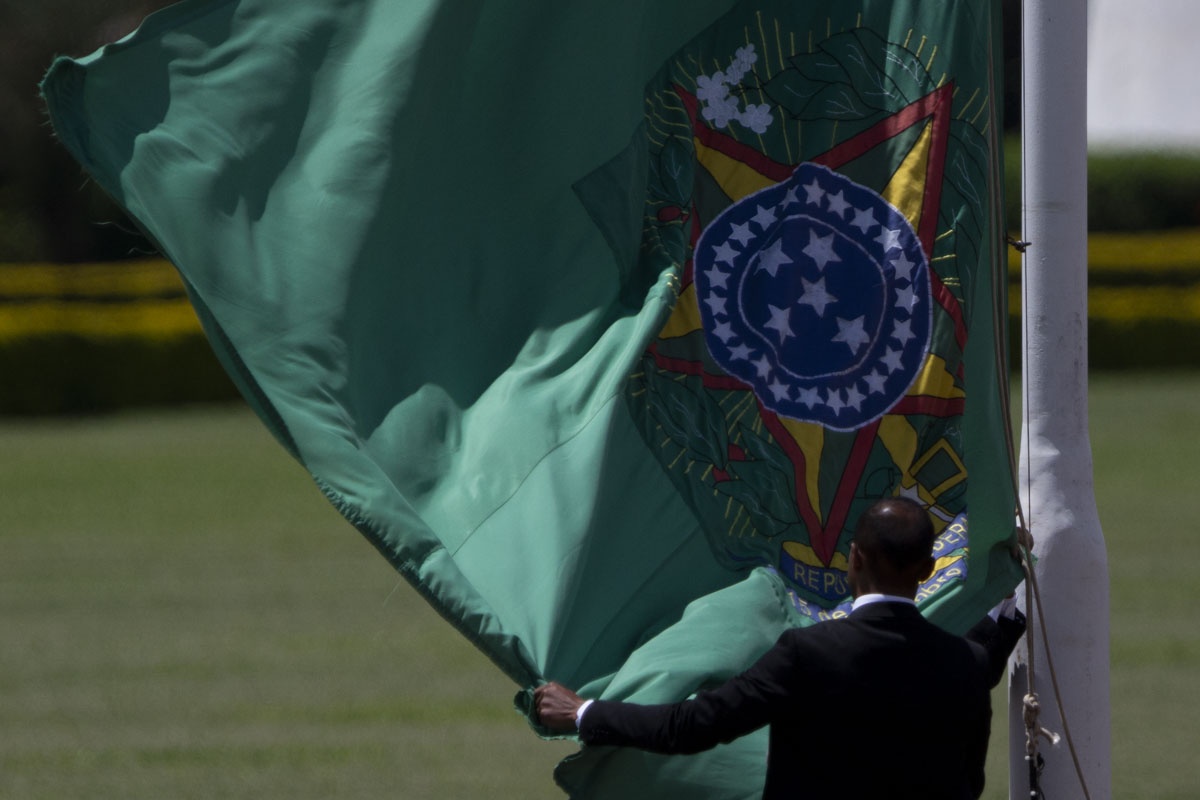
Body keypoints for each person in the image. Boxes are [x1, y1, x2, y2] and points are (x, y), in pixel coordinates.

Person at [535, 497, 1026, 799]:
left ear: (854, 559)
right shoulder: (966, 664)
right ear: (927, 570)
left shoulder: (807, 654)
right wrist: (1011, 587)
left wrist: (584, 712)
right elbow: (969, 784)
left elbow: (692, 725)